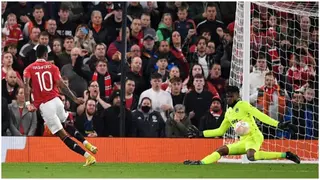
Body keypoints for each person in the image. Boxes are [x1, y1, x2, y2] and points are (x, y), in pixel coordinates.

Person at [184, 86, 300, 165]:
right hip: (243, 141)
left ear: (237, 95)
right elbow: (220, 131)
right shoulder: (228, 113)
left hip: (254, 136)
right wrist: (201, 133)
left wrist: (278, 124)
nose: (229, 98)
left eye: (231, 96)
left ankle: (286, 154)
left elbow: (260, 115)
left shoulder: (243, 105)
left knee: (251, 156)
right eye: (227, 96)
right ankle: (201, 162)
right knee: (222, 149)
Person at [23, 45, 97, 166]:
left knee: (62, 135)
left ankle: (88, 157)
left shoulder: (28, 69)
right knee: (67, 124)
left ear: (36, 55)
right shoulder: (53, 67)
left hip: (45, 105)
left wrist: (27, 103)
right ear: (46, 55)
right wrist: (74, 99)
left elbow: (26, 85)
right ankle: (86, 143)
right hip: (57, 101)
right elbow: (62, 85)